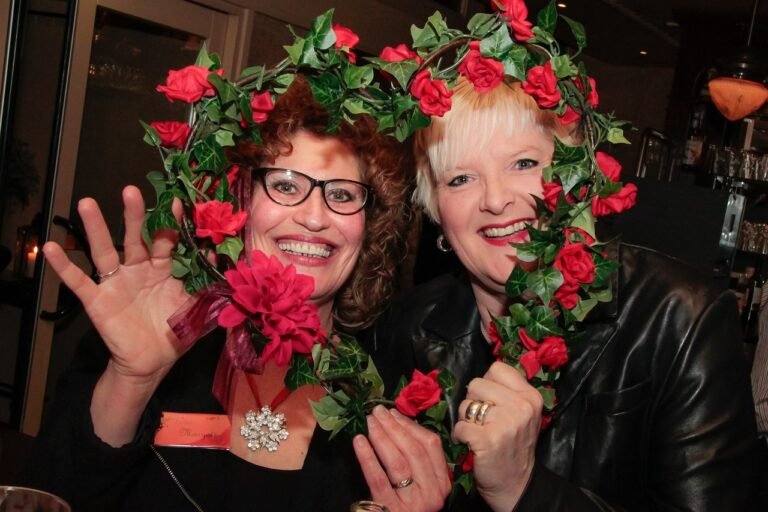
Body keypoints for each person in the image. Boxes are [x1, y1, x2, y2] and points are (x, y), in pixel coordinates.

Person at [20, 77, 451, 512]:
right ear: (237, 201)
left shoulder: (388, 400)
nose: (316, 218)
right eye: (284, 185)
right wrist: (131, 382)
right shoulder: (151, 339)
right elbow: (50, 496)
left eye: (342, 194)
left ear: (369, 225)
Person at [365, 77, 760, 510]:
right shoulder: (406, 324)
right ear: (435, 208)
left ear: (575, 175)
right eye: (461, 178)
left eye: (522, 164)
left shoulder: (681, 318)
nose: (496, 200)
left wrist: (524, 490)